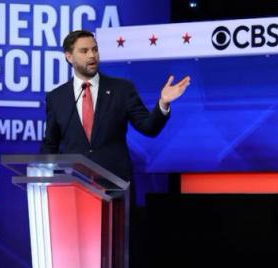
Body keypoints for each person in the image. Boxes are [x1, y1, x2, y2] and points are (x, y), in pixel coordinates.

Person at [40, 30, 190, 181]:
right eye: (84, 51)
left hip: (115, 184)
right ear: (69, 56)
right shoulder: (56, 97)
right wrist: (46, 175)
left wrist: (163, 102)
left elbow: (149, 128)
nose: (92, 55)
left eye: (95, 49)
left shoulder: (122, 89)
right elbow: (50, 144)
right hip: (75, 184)